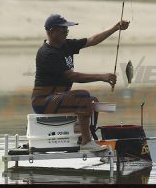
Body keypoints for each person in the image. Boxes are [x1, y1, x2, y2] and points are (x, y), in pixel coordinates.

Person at [32, 12, 130, 152]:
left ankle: (85, 137)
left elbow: (92, 40)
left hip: (57, 97)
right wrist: (102, 77)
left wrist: (115, 28)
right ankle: (86, 142)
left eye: (67, 29)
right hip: (42, 101)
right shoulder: (47, 53)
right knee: (83, 97)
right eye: (63, 29)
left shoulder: (65, 45)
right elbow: (74, 77)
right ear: (51, 31)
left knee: (91, 100)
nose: (67, 31)